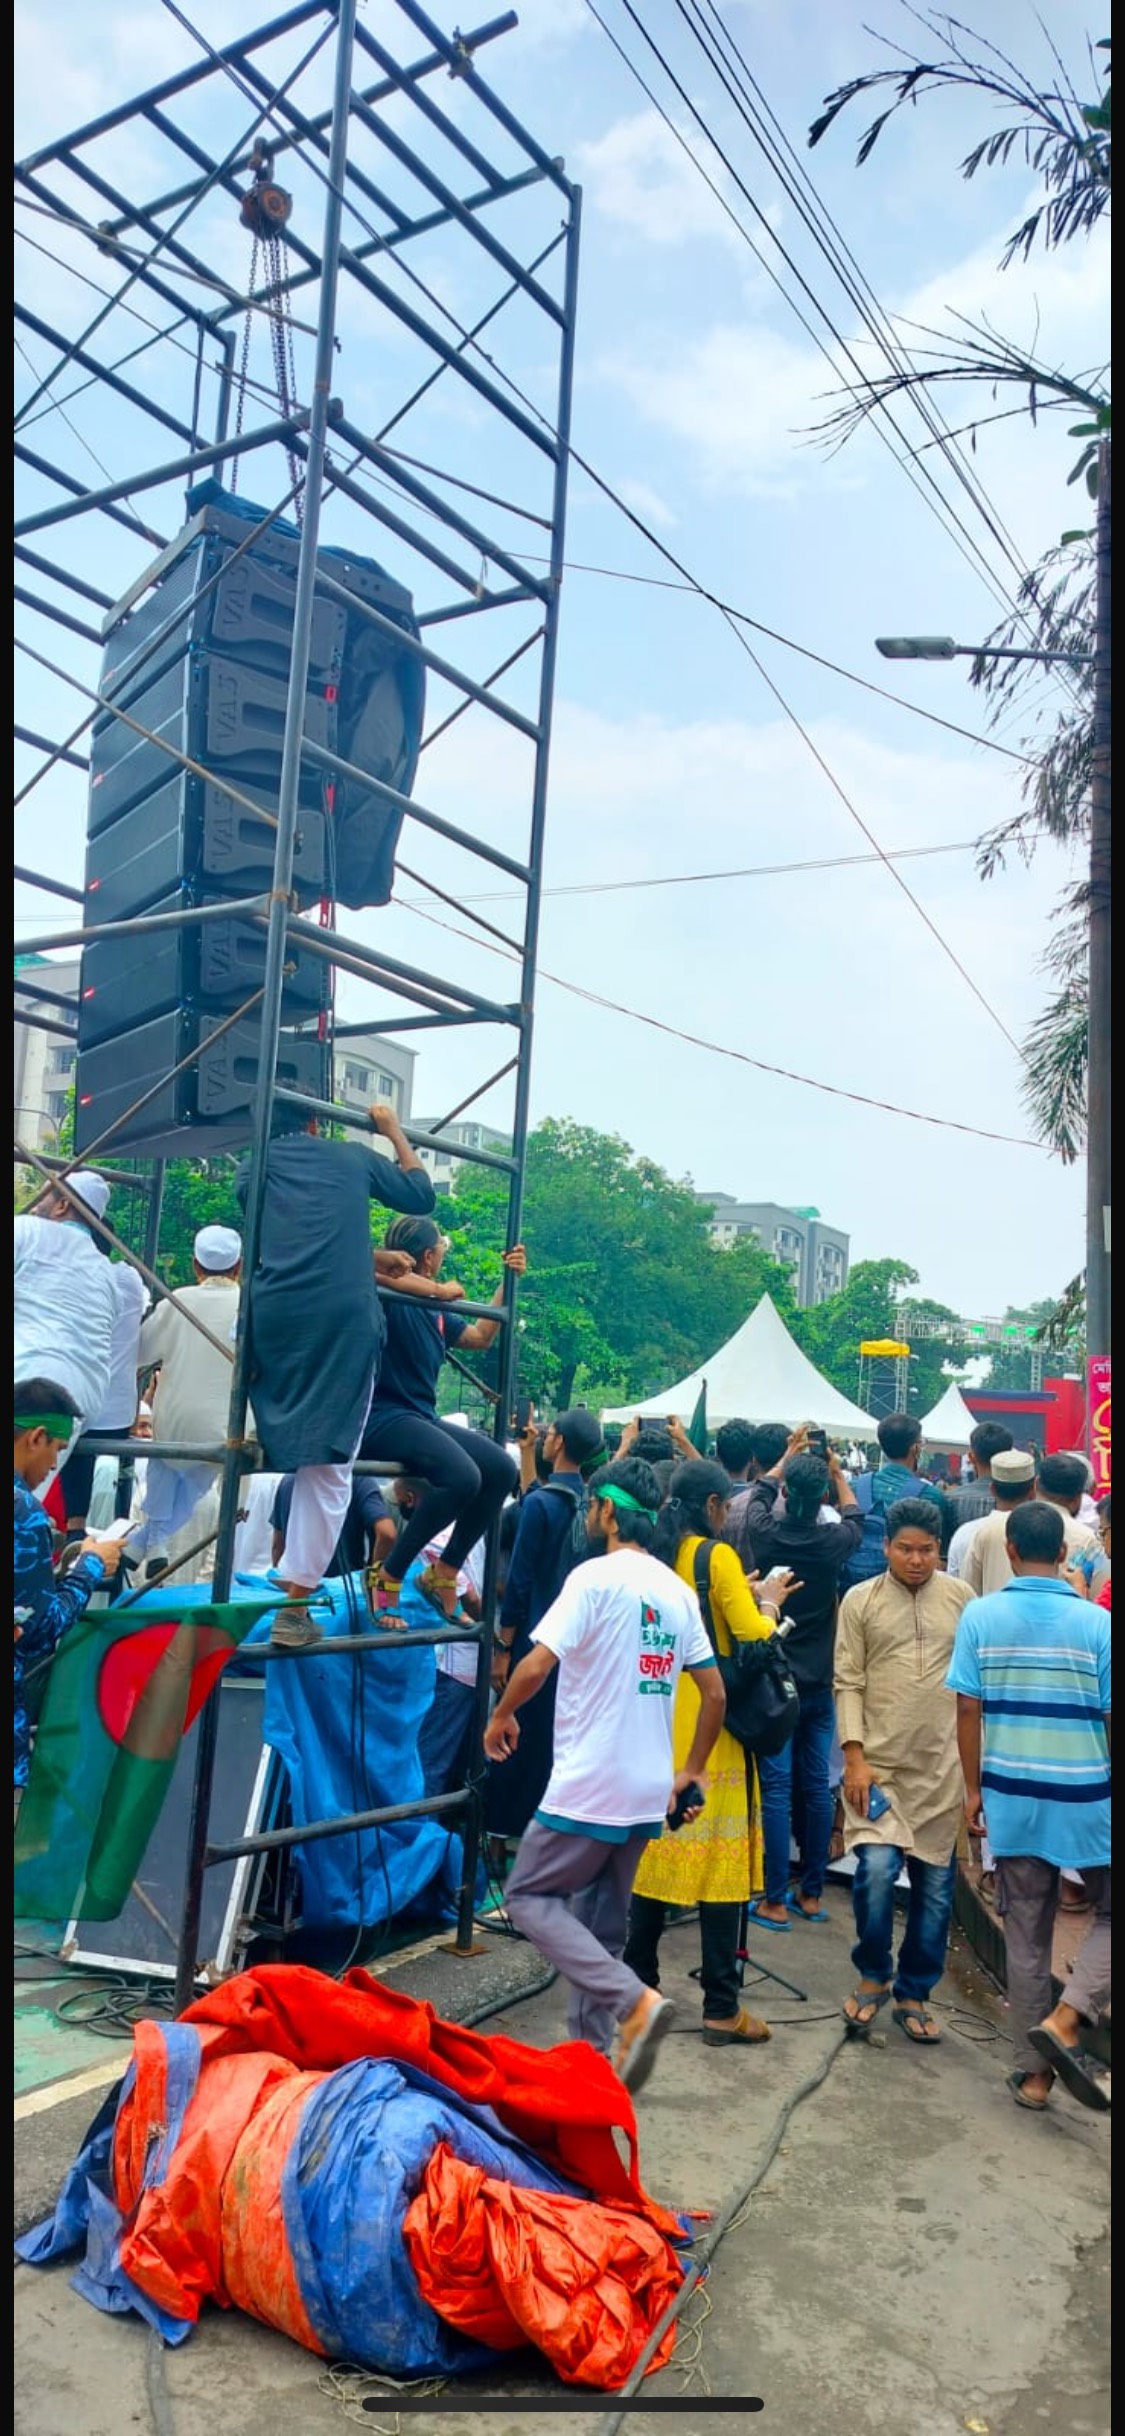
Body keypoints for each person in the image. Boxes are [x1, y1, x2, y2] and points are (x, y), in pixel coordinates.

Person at [485, 1458, 726, 2089]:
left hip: (590, 1784)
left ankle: (632, 2001)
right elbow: (715, 1693)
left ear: (609, 1511)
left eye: (593, 1506)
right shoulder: (675, 1590)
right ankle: (589, 2070)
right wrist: (690, 1772)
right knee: (602, 1930)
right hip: (646, 1790)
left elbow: (536, 1664)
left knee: (528, 1897)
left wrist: (502, 1715)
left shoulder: (592, 1578)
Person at [239, 1099, 436, 1645]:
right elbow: (421, 1195)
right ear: (313, 1121)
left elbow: (295, 1239)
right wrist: (392, 1131)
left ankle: (290, 1588)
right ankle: (295, 1606)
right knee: (331, 1467)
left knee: (301, 1452)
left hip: (275, 1317)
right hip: (341, 1323)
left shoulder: (252, 1168)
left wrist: (369, 1257)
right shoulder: (349, 1156)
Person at [625, 1460, 797, 2048]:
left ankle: (638, 1992)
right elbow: (753, 1638)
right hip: (711, 1727)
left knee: (653, 1857)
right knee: (720, 1872)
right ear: (715, 1506)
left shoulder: (652, 1558)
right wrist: (767, 1602)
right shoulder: (715, 1557)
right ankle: (721, 2006)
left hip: (656, 1721)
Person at [947, 1500, 1111, 2115]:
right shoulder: (1097, 1624)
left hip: (1011, 1794)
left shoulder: (980, 1616)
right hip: (1086, 1795)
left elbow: (968, 1708)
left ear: (1010, 1550)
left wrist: (973, 1790)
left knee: (1026, 1934)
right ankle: (1069, 2016)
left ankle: (1035, 2077)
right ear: (1064, 1554)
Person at [833, 1499, 974, 2043]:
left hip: (941, 1769)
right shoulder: (860, 1600)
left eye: (927, 1550)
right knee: (874, 1872)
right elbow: (848, 1680)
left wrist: (974, 1777)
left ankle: (913, 1992)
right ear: (887, 1546)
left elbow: (974, 1691)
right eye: (906, 1549)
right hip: (878, 1769)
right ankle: (873, 1974)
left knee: (935, 1891)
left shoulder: (962, 1600)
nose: (917, 1560)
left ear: (940, 1550)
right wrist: (854, 1758)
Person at [358, 1219, 522, 1618]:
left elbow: (481, 1338)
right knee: (463, 1476)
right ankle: (390, 1573)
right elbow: (357, 1266)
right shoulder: (384, 1293)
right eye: (442, 1248)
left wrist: (508, 1280)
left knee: (501, 1468)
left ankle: (445, 1569)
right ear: (429, 1257)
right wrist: (434, 1289)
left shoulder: (436, 1309)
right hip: (382, 1414)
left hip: (419, 1416)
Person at [739, 1438, 863, 1930]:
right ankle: (811, 1893)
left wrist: (786, 1457)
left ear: (789, 1491)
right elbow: (855, 1516)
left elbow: (760, 1492)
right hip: (820, 1681)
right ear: (824, 1496)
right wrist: (837, 1471)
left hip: (776, 1681)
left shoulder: (765, 1532)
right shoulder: (833, 1542)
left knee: (776, 1787)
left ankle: (773, 1898)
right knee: (816, 1786)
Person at [487, 1407, 606, 1849]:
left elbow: (518, 1583)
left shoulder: (542, 1504)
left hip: (531, 1639)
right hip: (575, 1645)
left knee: (512, 1730)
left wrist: (503, 1648)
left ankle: (500, 1836)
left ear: (558, 1443)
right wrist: (527, 1454)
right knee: (555, 1739)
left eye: (550, 1433)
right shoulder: (592, 1505)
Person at [14, 1379, 124, 1793]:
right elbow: (40, 1629)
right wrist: (90, 1567)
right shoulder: (22, 1511)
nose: (53, 1466)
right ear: (36, 1437)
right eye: (57, 1450)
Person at [127, 1227, 249, 1577]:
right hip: (228, 1425)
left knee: (163, 1467)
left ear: (196, 1265)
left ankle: (151, 1540)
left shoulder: (177, 1301)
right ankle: (150, 1541)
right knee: (196, 1484)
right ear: (239, 1266)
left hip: (175, 1421)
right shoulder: (252, 1305)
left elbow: (140, 1352)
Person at [13, 1172, 119, 1475]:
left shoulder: (27, 1230)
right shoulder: (106, 1272)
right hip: (77, 1403)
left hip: (28, 1385)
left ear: (62, 1205)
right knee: (22, 1496)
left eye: (42, 1197)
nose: (35, 1206)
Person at [58, 1254, 148, 1542]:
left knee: (74, 1445)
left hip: (81, 1406)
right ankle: (124, 1528)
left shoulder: (71, 1277)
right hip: (119, 1414)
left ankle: (75, 1526)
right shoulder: (129, 1278)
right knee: (122, 1467)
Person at [959, 1451, 1100, 1598]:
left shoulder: (989, 1529)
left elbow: (967, 1592)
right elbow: (1100, 1599)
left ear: (1036, 1484)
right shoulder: (1089, 1541)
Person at [841, 1412, 948, 1589]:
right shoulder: (931, 1496)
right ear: (915, 1449)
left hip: (852, 1585)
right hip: (904, 1588)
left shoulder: (852, 1487)